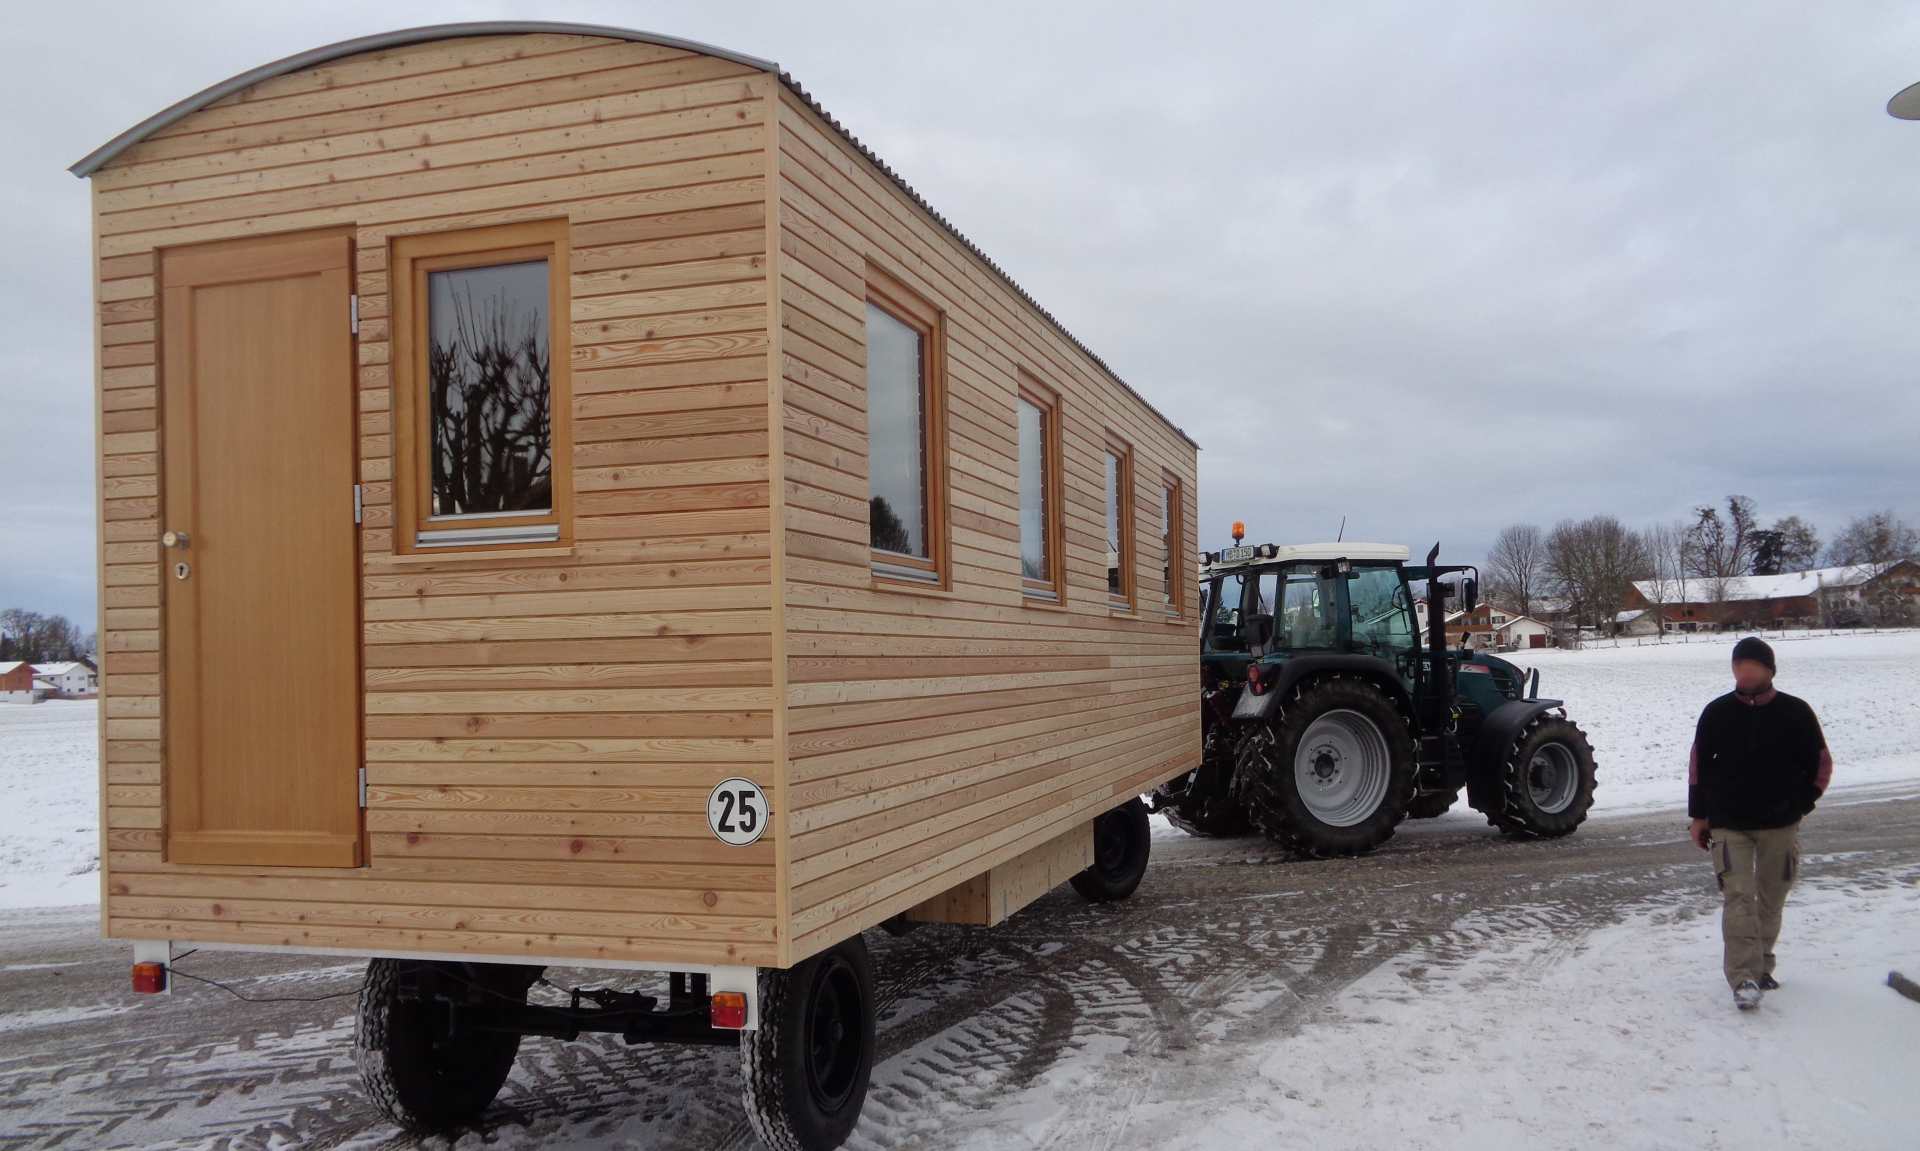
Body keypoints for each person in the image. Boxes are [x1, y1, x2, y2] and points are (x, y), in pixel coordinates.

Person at [1687, 636, 1833, 1012]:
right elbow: (1698, 768)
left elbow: (1820, 764)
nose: (1744, 671)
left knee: (1772, 896)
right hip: (1728, 823)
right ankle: (1743, 978)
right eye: (1739, 665)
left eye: (1752, 665)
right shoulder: (1717, 713)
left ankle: (1763, 964)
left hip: (1779, 824)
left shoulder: (1796, 712)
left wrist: (1801, 804)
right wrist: (1699, 816)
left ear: (1769, 670)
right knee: (1738, 897)